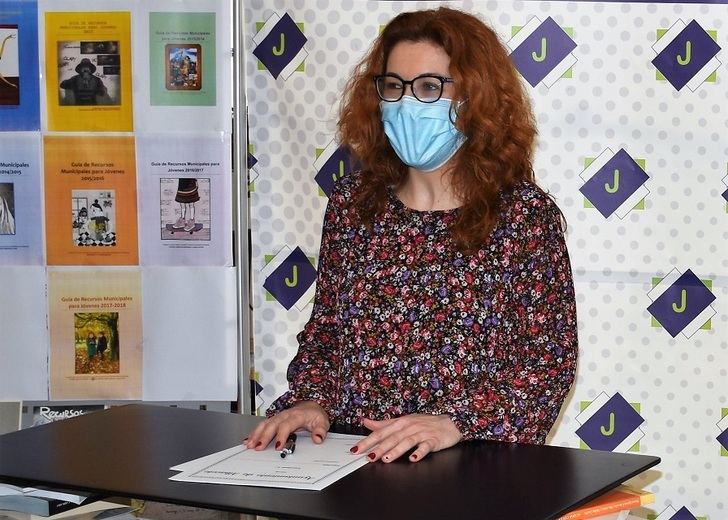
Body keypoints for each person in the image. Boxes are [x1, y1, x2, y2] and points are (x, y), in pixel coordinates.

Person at [245, 7, 578, 464]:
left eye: (428, 87)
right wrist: (310, 401)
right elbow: (327, 333)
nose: (406, 103)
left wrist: (455, 422)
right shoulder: (353, 204)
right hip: (352, 460)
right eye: (394, 86)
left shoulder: (521, 216)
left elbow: (548, 363)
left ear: (474, 98)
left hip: (468, 466)